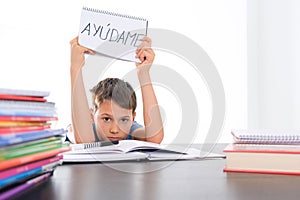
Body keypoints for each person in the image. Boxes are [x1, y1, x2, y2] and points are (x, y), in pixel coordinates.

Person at [69, 36, 164, 144]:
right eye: (106, 119)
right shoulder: (81, 128)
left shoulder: (131, 130)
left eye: (124, 120)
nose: (114, 130)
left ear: (132, 119)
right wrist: (75, 67)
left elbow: (155, 138)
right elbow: (83, 140)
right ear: (91, 116)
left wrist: (144, 73)